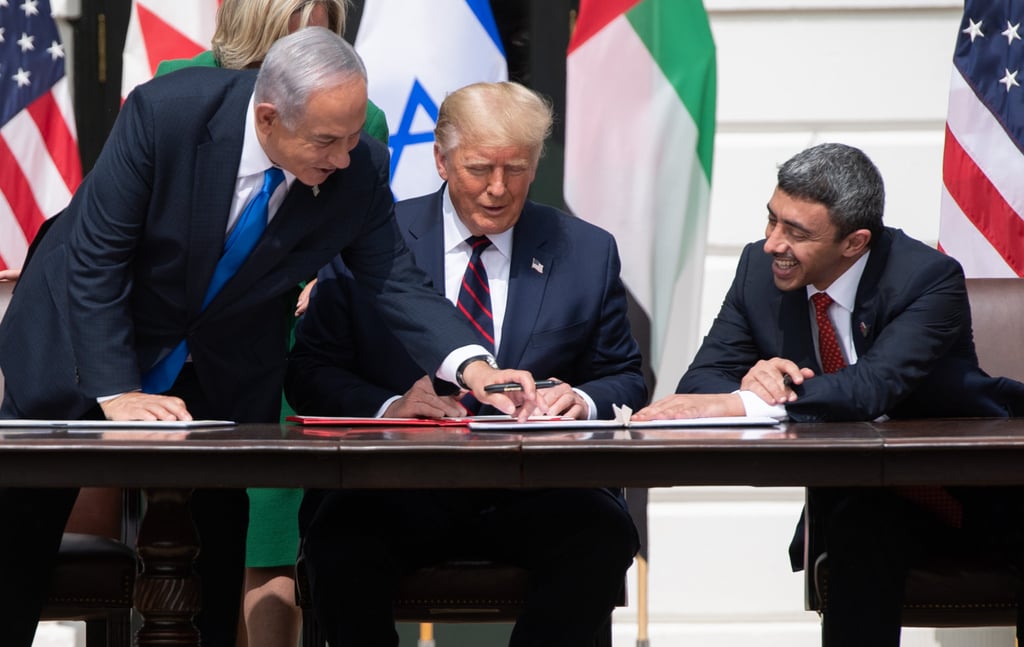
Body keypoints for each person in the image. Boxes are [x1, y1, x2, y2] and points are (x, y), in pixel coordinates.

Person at [0, 29, 543, 647]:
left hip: (220, 367)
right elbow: (97, 259)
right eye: (326, 141)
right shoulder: (166, 114)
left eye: (352, 137)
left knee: (214, 550)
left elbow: (395, 280)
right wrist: (118, 392)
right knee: (19, 538)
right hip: (81, 340)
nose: (343, 158)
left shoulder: (358, 167)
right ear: (268, 117)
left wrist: (475, 368)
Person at [286, 81, 644, 647]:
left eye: (516, 169)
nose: (498, 189)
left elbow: (625, 378)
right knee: (339, 539)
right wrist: (390, 407)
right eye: (480, 169)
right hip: (397, 487)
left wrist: (581, 400)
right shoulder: (369, 240)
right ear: (441, 160)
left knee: (604, 535)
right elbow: (310, 373)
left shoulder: (586, 250)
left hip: (537, 490)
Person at [633, 142, 1024, 646]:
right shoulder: (758, 271)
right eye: (771, 220)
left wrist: (754, 401)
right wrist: (754, 378)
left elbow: (873, 388)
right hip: (864, 498)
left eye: (796, 233)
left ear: (854, 243)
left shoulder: (926, 278)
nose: (773, 243)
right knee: (858, 523)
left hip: (978, 489)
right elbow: (702, 384)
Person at [156, 2, 389, 644]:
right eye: (298, 30)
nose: (312, 48)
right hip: (180, 363)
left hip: (280, 351)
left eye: (324, 31)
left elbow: (363, 243)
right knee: (190, 544)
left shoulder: (358, 121)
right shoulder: (176, 89)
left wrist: (319, 281)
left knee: (272, 548)